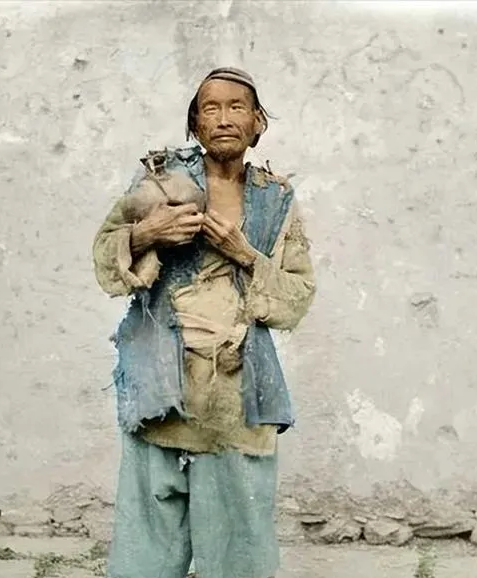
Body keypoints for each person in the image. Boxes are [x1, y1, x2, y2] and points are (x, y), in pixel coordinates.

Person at [93, 67, 316, 578]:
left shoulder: (275, 199)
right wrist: (147, 233)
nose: (224, 118)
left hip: (237, 398)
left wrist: (244, 252)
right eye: (210, 108)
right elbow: (104, 257)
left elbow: (297, 297)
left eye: (237, 107)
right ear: (195, 124)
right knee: (146, 549)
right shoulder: (161, 182)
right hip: (162, 389)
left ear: (258, 123)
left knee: (240, 549)